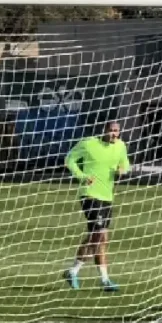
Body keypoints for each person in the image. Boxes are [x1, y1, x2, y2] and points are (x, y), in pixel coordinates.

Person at [63, 121, 130, 292]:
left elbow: (125, 164)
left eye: (117, 131)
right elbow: (69, 159)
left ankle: (75, 272)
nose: (114, 134)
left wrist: (122, 169)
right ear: (104, 130)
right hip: (89, 194)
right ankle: (102, 279)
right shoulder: (89, 143)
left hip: (107, 196)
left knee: (99, 237)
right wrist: (82, 176)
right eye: (111, 130)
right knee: (100, 236)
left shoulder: (121, 146)